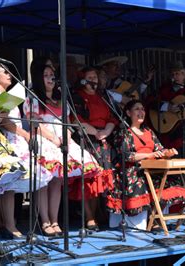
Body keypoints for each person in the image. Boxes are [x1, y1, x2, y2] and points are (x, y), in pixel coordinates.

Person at [24, 63, 102, 236]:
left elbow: (67, 123)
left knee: (57, 182)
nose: (51, 78)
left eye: (52, 74)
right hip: (44, 139)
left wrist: (65, 138)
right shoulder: (33, 98)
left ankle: (55, 220)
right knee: (43, 182)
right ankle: (44, 221)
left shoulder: (61, 98)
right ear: (38, 78)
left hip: (62, 140)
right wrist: (52, 138)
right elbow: (34, 123)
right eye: (46, 75)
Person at [0, 62, 53, 238]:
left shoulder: (6, 95)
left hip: (17, 138)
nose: (9, 74)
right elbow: (4, 122)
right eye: (4, 72)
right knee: (8, 184)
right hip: (8, 140)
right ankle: (9, 225)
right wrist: (25, 133)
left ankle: (31, 221)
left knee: (33, 178)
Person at [107, 100, 178, 225]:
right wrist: (148, 155)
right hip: (134, 170)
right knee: (140, 181)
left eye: (143, 109)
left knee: (169, 180)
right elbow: (125, 155)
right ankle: (146, 220)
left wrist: (167, 153)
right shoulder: (123, 132)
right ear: (128, 113)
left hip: (152, 169)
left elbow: (159, 149)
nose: (141, 112)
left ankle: (155, 220)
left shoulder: (148, 131)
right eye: (137, 109)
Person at [71, 66, 118, 230]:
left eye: (95, 77)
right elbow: (76, 119)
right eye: (90, 77)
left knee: (102, 178)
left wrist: (106, 131)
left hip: (104, 138)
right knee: (89, 179)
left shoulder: (103, 96)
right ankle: (89, 216)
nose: (93, 80)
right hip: (87, 138)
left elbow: (113, 116)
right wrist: (96, 133)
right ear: (83, 79)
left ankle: (99, 212)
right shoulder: (78, 97)